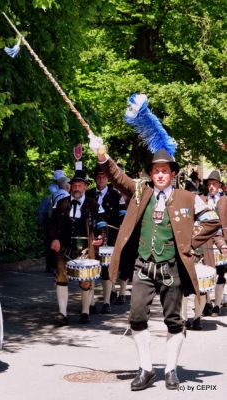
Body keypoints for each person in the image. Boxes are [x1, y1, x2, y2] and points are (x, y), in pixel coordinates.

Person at [89, 142, 221, 391]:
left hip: (171, 268)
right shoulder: (141, 190)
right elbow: (117, 177)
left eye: (165, 170)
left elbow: (212, 220)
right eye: (156, 170)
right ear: (151, 173)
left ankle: (171, 370)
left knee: (174, 321)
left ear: (172, 174)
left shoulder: (187, 197)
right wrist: (103, 156)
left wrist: (191, 242)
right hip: (142, 266)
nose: (160, 174)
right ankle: (146, 368)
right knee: (136, 317)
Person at [49, 170, 106, 325]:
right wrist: (54, 239)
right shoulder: (62, 203)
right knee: (61, 278)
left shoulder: (93, 204)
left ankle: (85, 312)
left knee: (85, 281)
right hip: (64, 247)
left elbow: (101, 223)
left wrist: (100, 237)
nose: (77, 188)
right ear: (70, 187)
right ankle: (62, 313)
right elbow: (52, 223)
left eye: (80, 185)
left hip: (85, 249)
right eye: (74, 185)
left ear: (85, 187)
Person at [87, 165, 127, 312]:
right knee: (91, 269)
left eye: (104, 176)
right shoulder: (88, 194)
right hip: (92, 238)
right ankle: (90, 303)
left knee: (107, 270)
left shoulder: (116, 195)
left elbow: (123, 217)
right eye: (98, 176)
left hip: (110, 238)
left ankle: (106, 302)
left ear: (108, 178)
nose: (101, 179)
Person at [200, 170, 227, 317]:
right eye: (209, 184)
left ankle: (217, 305)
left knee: (220, 273)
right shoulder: (202, 199)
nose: (211, 186)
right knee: (206, 272)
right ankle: (207, 303)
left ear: (219, 185)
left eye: (214, 183)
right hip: (205, 241)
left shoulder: (225, 200)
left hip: (223, 240)